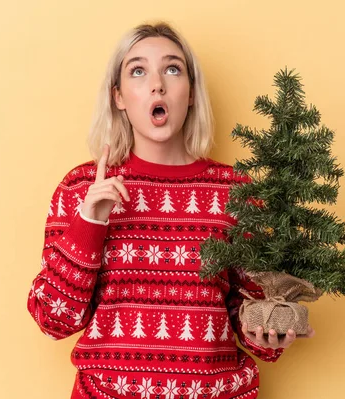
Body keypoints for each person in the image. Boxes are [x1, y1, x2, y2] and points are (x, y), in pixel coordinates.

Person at [26, 21, 315, 399]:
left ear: (191, 93)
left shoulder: (235, 192)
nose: (157, 83)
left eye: (172, 68)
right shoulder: (81, 188)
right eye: (139, 70)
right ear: (119, 96)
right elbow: (53, 320)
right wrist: (90, 221)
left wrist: (270, 333)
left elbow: (248, 314)